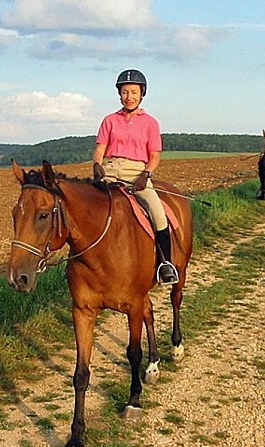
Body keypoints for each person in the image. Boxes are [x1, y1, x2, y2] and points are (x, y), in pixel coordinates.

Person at [92, 69, 178, 285]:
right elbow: (100, 148)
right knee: (86, 210)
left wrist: (146, 174)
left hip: (136, 172)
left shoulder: (150, 123)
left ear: (142, 94)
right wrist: (96, 165)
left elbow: (155, 155)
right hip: (110, 170)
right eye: (124, 92)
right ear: (119, 94)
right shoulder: (109, 120)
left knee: (159, 215)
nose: (129, 97)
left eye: (133, 92)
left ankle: (165, 264)